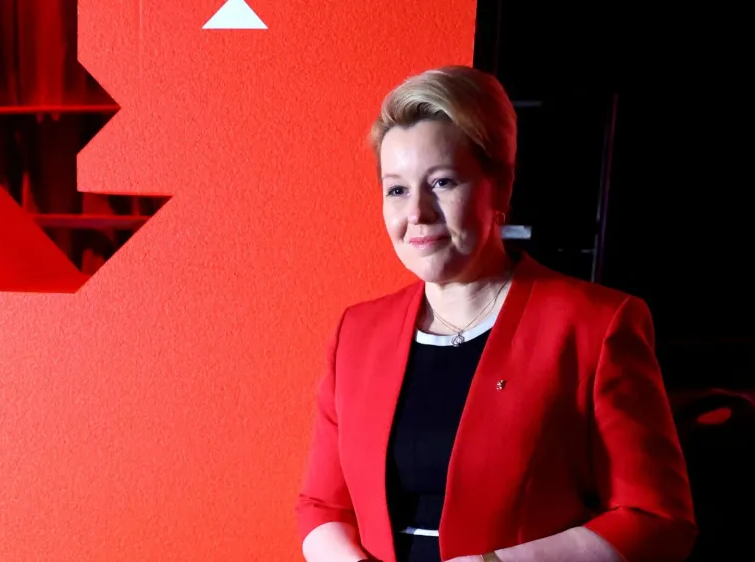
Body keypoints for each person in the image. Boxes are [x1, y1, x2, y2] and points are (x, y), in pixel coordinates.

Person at [294, 66, 695, 562]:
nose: (416, 212)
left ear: (501, 188)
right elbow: (321, 506)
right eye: (397, 189)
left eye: (442, 182)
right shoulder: (356, 331)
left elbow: (657, 520)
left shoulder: (598, 326)